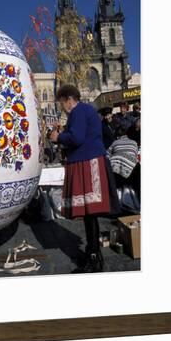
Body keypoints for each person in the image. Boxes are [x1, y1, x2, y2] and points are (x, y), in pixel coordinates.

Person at [50, 84, 120, 274]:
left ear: (68, 100)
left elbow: (77, 137)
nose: (62, 108)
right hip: (87, 161)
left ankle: (94, 258)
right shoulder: (85, 111)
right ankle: (93, 254)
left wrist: (59, 137)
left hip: (88, 163)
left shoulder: (79, 111)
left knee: (90, 213)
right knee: (90, 214)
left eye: (62, 104)